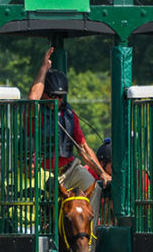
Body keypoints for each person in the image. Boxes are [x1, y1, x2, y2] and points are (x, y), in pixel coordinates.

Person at [28, 47, 111, 215]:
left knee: (93, 187)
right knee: (45, 207)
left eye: (61, 96)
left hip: (70, 169)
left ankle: (90, 239)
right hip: (44, 174)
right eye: (53, 95)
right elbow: (31, 100)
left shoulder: (70, 114)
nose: (57, 100)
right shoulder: (35, 114)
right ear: (44, 94)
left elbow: (83, 148)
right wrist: (44, 68)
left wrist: (102, 174)